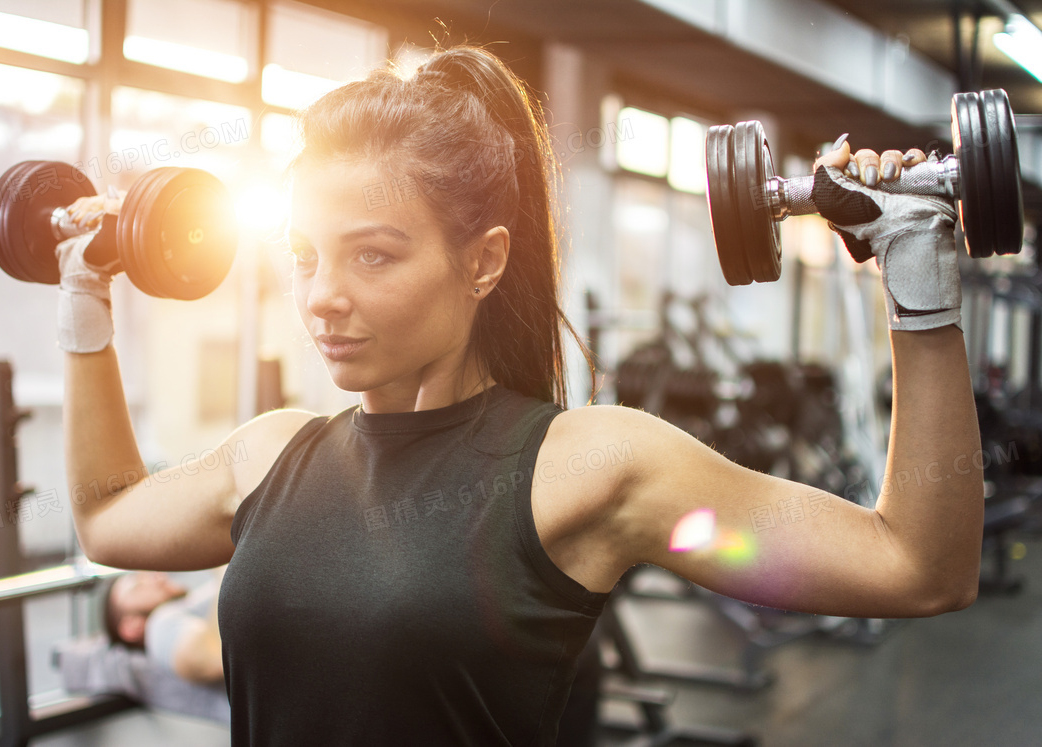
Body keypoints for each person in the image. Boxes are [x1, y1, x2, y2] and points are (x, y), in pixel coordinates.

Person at [55, 45, 983, 745]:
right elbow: (108, 520)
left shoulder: (584, 471)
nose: (322, 295)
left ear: (484, 260)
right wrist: (85, 296)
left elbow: (916, 565)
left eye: (373, 254)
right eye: (304, 258)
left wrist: (918, 280)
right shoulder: (272, 455)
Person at [102, 569, 225, 685]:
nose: (156, 576)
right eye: (138, 586)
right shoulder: (157, 629)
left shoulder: (184, 607)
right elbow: (215, 656)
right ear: (132, 627)